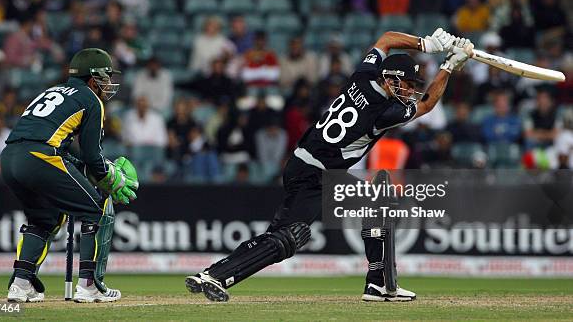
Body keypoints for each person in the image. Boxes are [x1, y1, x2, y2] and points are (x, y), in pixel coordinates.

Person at [185, 28, 471, 302]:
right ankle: (215, 275)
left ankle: (377, 283)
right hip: (314, 174)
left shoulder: (363, 76)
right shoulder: (384, 112)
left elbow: (386, 40)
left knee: (376, 202)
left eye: (412, 86)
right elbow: (427, 104)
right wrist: (448, 66)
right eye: (407, 84)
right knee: (287, 238)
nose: (410, 91)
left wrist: (426, 45)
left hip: (312, 168)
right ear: (391, 79)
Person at [2, 48, 139, 303]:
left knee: (45, 219)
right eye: (105, 77)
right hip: (40, 157)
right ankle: (89, 285)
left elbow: (62, 148)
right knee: (96, 209)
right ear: (92, 78)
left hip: (10, 157)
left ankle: (20, 285)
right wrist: (109, 177)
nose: (108, 83)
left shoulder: (52, 91)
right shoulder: (90, 99)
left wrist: (90, 169)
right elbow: (90, 155)